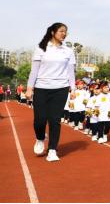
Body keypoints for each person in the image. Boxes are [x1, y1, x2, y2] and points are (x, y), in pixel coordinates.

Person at [26, 22, 76, 162]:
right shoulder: (41, 48)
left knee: (55, 120)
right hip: (41, 88)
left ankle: (53, 149)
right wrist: (30, 88)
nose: (64, 34)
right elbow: (34, 71)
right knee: (39, 121)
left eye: (66, 32)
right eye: (61, 31)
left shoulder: (68, 51)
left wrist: (73, 88)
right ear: (53, 32)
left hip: (60, 88)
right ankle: (40, 138)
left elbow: (70, 71)